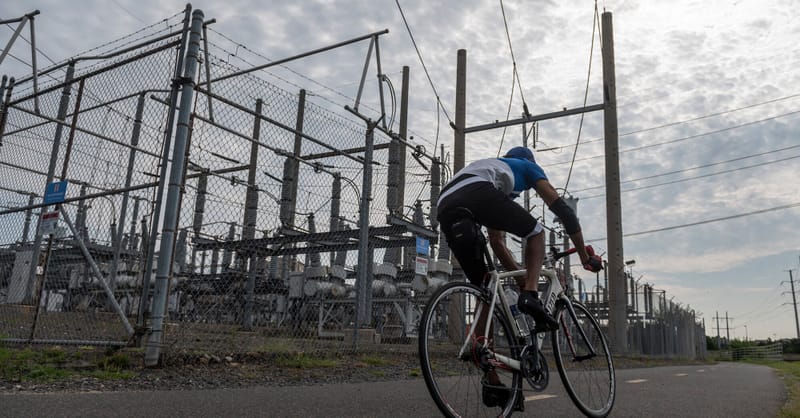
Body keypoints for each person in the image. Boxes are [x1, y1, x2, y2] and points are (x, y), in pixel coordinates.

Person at [436, 146, 603, 409]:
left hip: (445, 204)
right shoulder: (526, 166)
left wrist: (520, 279)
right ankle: (532, 296)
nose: (521, 193)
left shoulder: (493, 175)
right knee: (536, 233)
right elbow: (564, 211)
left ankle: (492, 382)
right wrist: (584, 257)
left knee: (485, 289)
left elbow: (497, 242)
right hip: (475, 192)